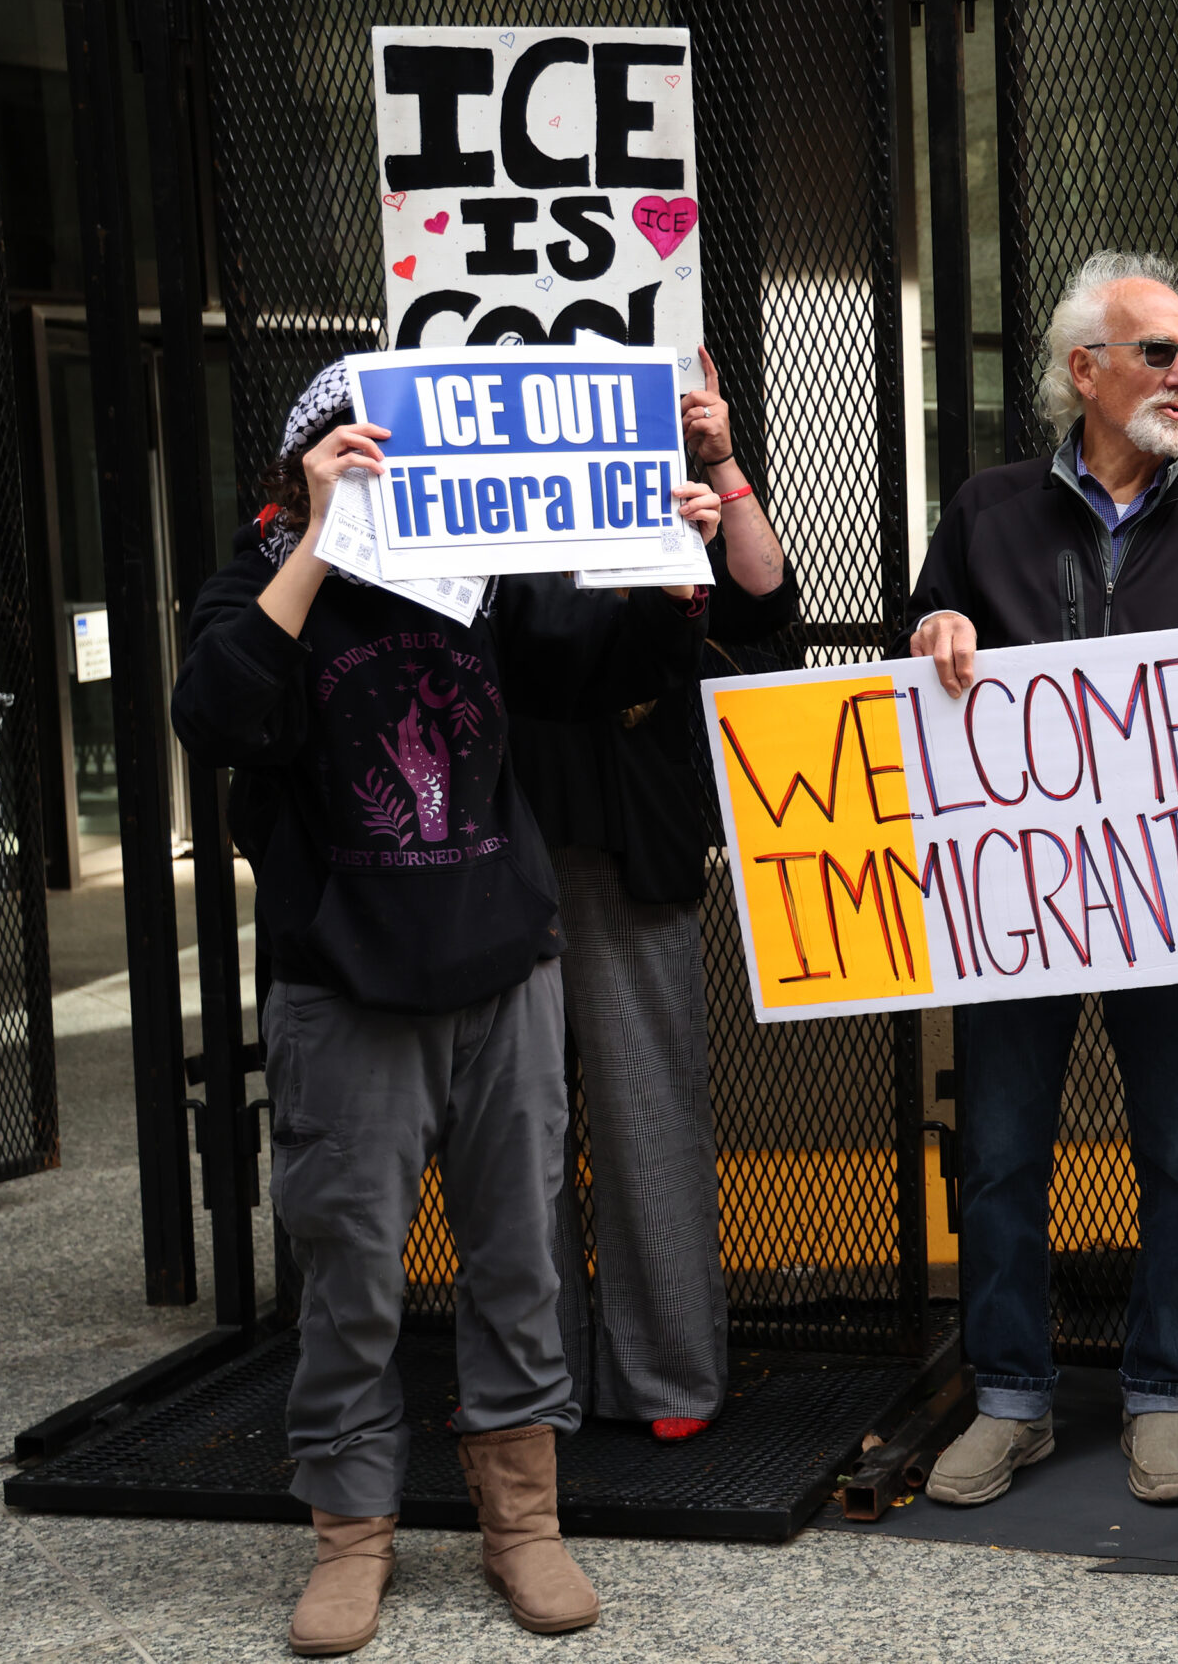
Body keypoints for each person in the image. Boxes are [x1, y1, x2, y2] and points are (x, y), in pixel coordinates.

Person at [172, 360, 722, 1656]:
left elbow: (602, 669)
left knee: (517, 1253)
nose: (393, 477)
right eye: (363, 451)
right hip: (346, 979)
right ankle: (351, 1530)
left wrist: (669, 563)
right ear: (307, 460)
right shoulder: (257, 570)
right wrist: (317, 536)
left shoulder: (474, 570)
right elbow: (219, 707)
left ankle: (522, 1521)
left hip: (502, 964)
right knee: (351, 1263)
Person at [908, 251, 1178, 1507]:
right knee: (1003, 1154)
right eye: (1159, 353)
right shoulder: (984, 513)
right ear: (1085, 371)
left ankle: (1161, 1398)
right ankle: (1010, 1402)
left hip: (1165, 905)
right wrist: (936, 637)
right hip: (1019, 906)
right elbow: (910, 686)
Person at [513, 347, 796, 1444]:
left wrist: (721, 469)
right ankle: (527, 1376)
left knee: (646, 1105)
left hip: (632, 818)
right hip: (502, 817)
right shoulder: (479, 486)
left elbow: (770, 611)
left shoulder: (674, 474)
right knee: (511, 1123)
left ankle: (667, 1372)